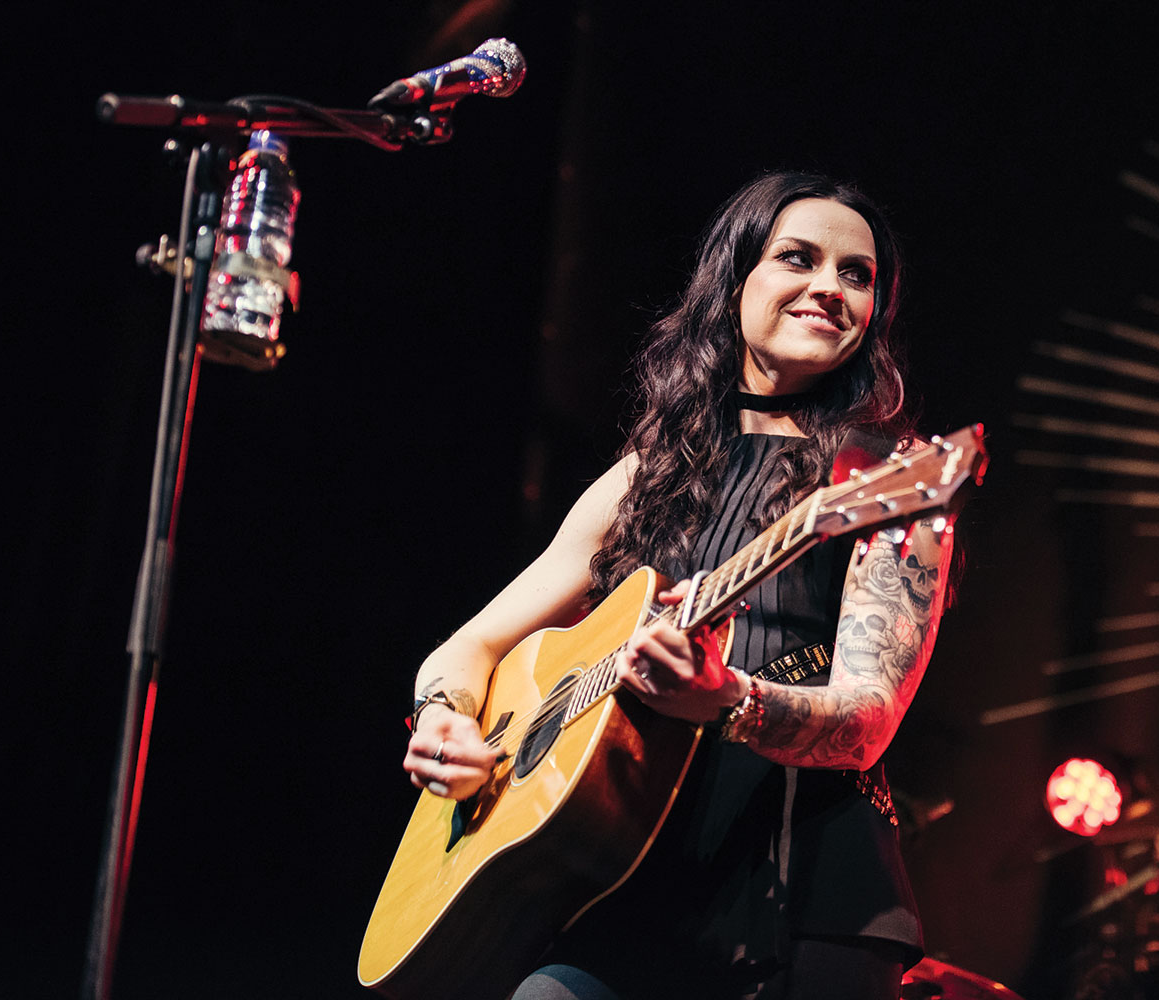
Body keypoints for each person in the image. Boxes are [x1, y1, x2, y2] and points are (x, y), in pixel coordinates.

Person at [402, 171, 957, 1000]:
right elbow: (470, 645)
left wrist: (727, 700)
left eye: (857, 275)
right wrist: (443, 716)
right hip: (613, 888)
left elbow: (866, 723)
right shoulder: (644, 478)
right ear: (735, 280)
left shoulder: (883, 480)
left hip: (807, 903)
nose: (828, 288)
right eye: (797, 258)